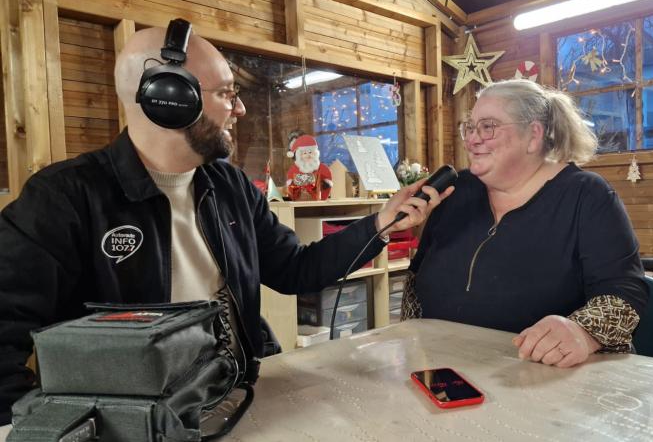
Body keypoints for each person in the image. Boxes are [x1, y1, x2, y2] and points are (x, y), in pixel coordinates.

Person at [0, 22, 450, 425]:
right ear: (170, 98)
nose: (240, 110)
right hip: (136, 428)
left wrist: (380, 225)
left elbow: (294, 269)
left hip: (240, 401)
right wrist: (49, 428)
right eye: (226, 94)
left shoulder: (229, 184)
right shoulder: (63, 198)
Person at [403, 79, 648, 368]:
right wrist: (411, 346)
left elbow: (625, 294)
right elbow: (416, 278)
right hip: (443, 369)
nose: (472, 139)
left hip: (541, 377)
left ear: (533, 135)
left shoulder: (587, 195)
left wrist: (582, 332)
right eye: (470, 127)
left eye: (488, 126)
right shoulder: (457, 191)